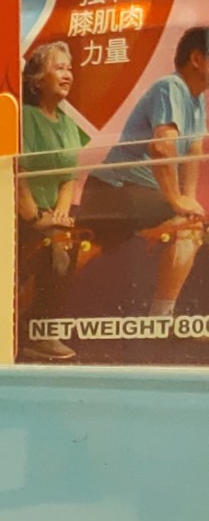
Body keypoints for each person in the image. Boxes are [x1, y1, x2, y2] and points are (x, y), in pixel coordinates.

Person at [80, 27, 208, 320]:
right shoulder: (170, 87)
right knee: (187, 228)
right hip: (114, 190)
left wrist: (189, 199)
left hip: (138, 195)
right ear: (197, 59)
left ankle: (160, 319)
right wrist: (176, 201)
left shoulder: (197, 100)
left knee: (190, 223)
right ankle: (160, 320)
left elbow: (193, 151)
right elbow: (162, 147)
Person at [17, 38, 87, 360]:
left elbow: (69, 178)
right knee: (54, 243)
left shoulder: (69, 124)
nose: (67, 75)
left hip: (49, 213)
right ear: (37, 79)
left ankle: (44, 328)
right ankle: (34, 333)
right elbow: (19, 175)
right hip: (21, 215)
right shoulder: (26, 117)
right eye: (59, 68)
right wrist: (35, 218)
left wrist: (59, 214)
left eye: (69, 69)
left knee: (70, 238)